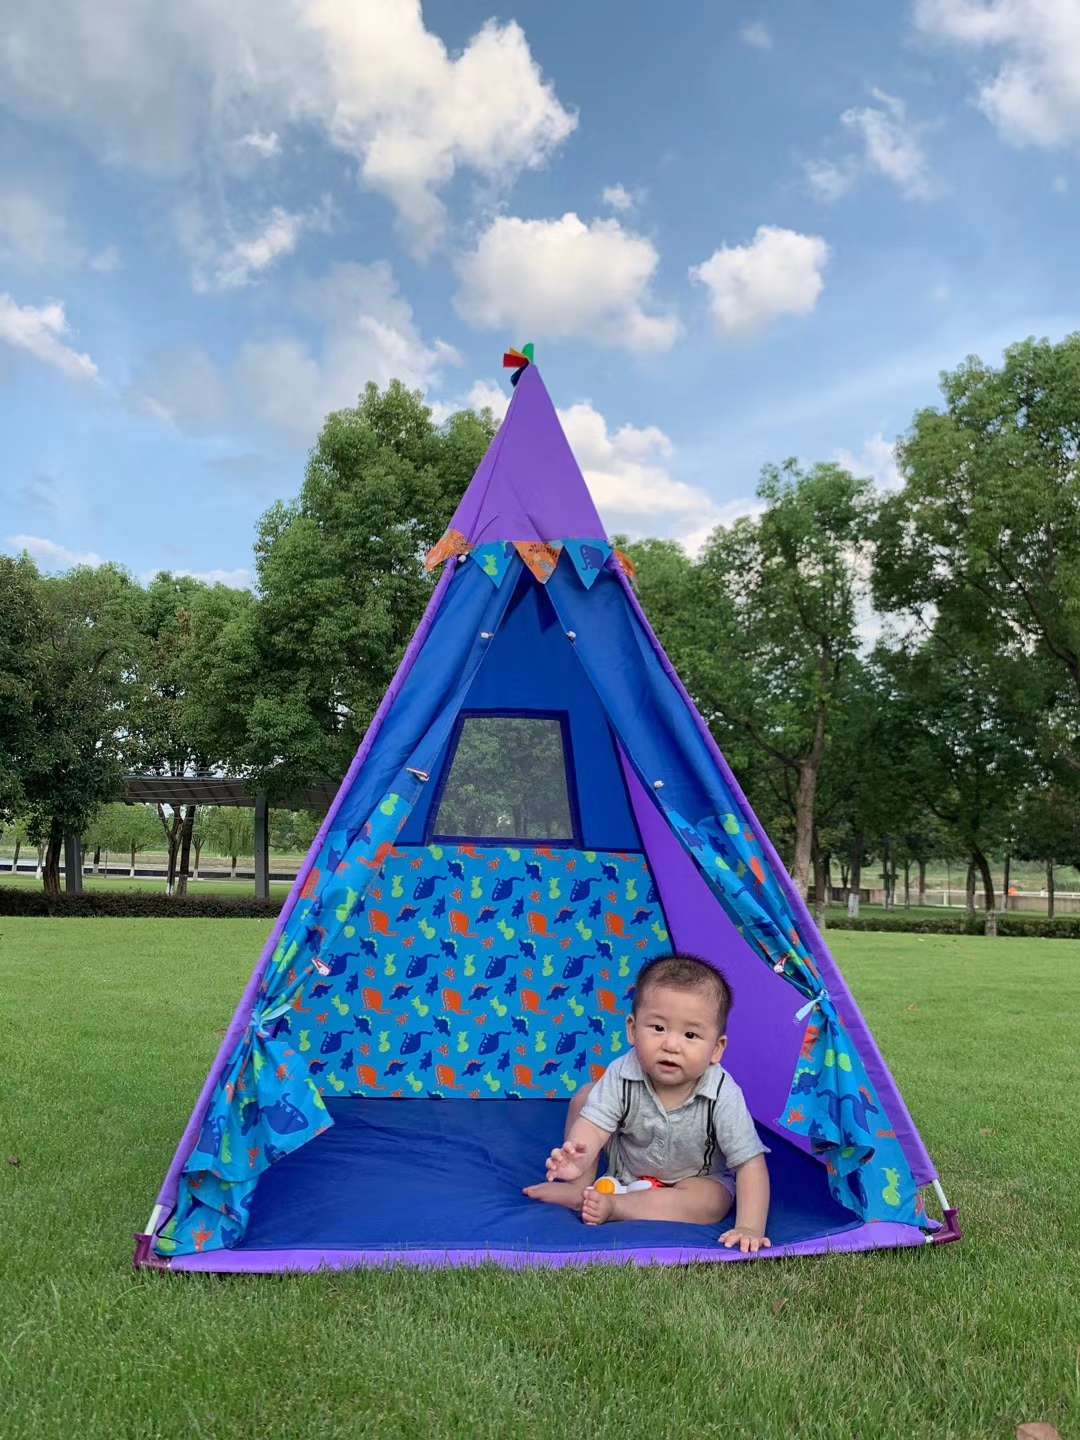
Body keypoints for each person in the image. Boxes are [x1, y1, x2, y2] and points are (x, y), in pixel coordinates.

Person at [523, 953, 771, 1253]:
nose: (671, 1044)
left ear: (716, 1049)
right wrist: (577, 1156)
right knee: (587, 1096)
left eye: (690, 1034)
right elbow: (594, 1126)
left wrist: (749, 1226)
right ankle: (580, 1188)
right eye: (658, 1028)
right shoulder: (622, 1073)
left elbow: (750, 1164)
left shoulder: (723, 1093)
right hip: (627, 1170)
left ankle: (617, 1206)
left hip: (693, 1178)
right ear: (632, 1029)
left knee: (711, 1202)